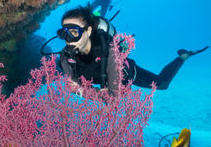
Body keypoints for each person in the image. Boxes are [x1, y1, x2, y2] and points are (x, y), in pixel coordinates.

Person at [58, 6, 209, 96]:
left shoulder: (107, 50)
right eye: (64, 33)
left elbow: (112, 96)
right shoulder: (66, 58)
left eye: (74, 32)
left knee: (162, 84)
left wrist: (83, 92)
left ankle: (182, 57)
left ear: (89, 30)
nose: (68, 39)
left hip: (128, 75)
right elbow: (75, 87)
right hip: (100, 83)